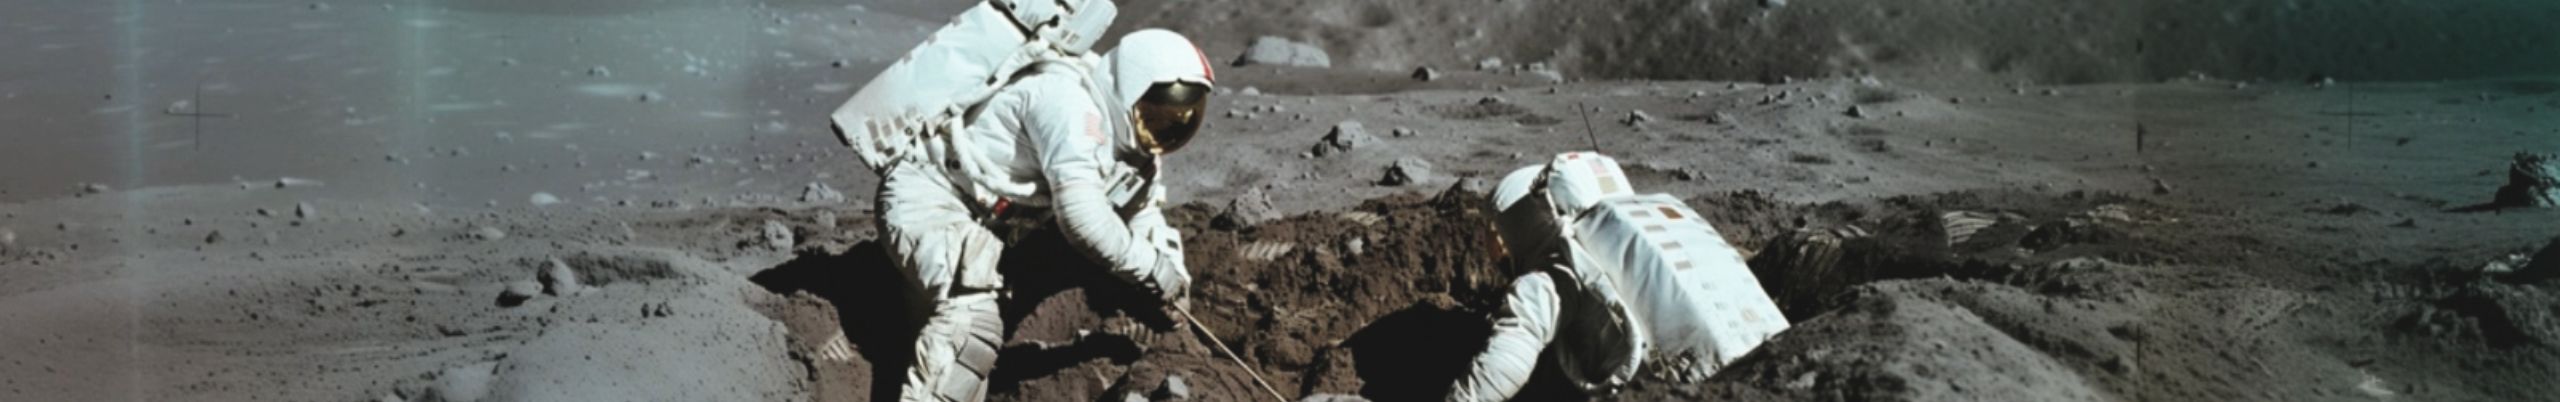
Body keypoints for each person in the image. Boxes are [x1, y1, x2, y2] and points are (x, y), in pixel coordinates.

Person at [872, 28, 1214, 402]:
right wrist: (1154, 270)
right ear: (1127, 91)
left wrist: (1173, 280)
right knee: (971, 328)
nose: (1162, 132)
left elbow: (1143, 215)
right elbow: (1082, 220)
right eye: (1152, 118)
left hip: (991, 226)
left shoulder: (1134, 150)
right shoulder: (1067, 101)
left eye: (1174, 124)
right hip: (932, 199)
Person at [1448, 152, 1790, 401]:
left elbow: (1507, 358)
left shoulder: (1560, 267)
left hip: (1690, 387)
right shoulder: (1650, 223)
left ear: (1519, 228)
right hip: (1777, 360)